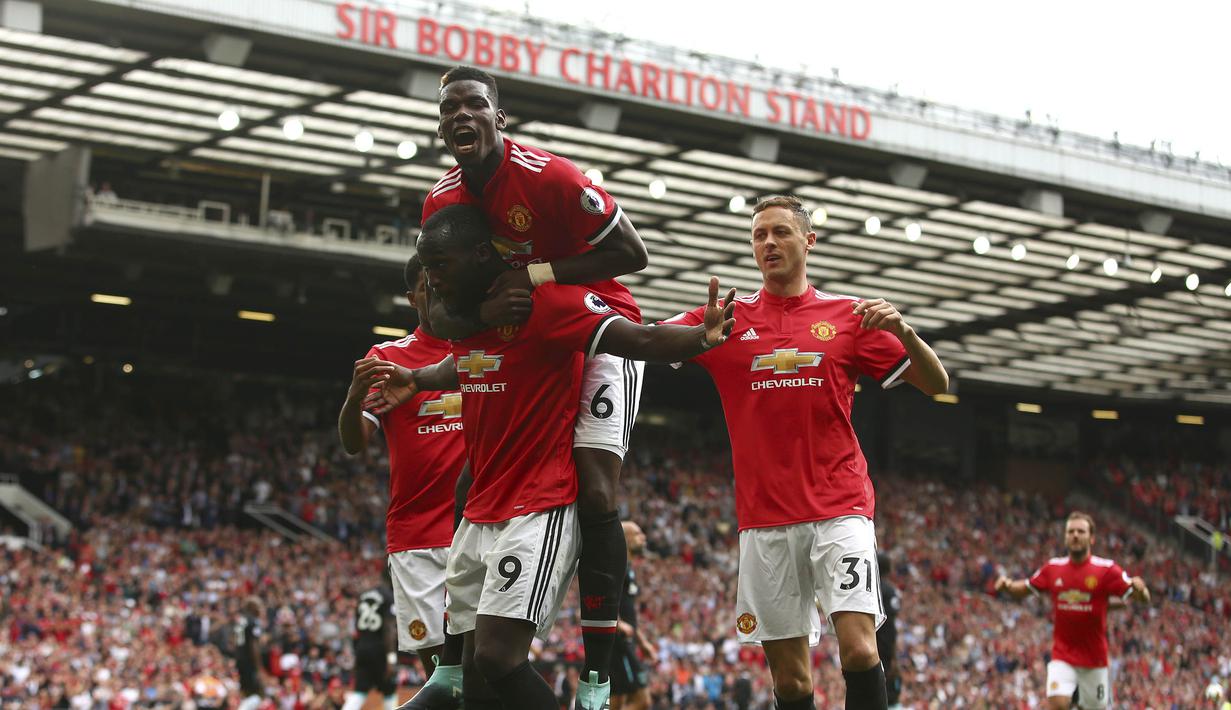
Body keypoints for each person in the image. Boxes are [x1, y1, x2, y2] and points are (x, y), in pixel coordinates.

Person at [363, 204, 736, 710]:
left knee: (497, 656)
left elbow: (639, 335)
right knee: (476, 678)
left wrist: (701, 337)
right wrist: (419, 379)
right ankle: (451, 671)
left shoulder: (546, 299)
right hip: (481, 513)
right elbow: (467, 361)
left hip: (537, 504)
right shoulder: (475, 319)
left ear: (479, 256)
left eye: (440, 269)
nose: (433, 282)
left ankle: (597, 674)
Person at [664, 195, 949, 710]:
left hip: (839, 507)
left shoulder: (847, 317)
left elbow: (937, 383)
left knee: (861, 650)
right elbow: (643, 342)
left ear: (809, 240)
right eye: (758, 235)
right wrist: (691, 340)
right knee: (792, 684)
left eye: (780, 232)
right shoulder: (726, 319)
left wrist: (903, 330)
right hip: (765, 519)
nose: (768, 243)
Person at [422, 65, 650, 709]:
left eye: (475, 105)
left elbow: (631, 255)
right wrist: (479, 317)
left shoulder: (552, 175)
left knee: (597, 486)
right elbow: (441, 301)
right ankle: (454, 662)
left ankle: (600, 673)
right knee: (478, 476)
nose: (462, 117)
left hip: (595, 323)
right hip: (522, 343)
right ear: (442, 128)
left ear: (501, 116)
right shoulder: (443, 202)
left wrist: (540, 274)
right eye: (450, 111)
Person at [337, 254, 467, 709]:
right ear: (413, 297)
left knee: (490, 661)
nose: (439, 293)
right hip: (416, 535)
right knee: (441, 674)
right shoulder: (388, 359)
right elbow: (356, 442)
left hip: (481, 526)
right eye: (428, 287)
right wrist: (354, 399)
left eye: (445, 283)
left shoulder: (483, 347)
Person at [995, 511, 1151, 710]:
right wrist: (1007, 586)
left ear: (1091, 538)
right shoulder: (1053, 568)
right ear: (1065, 537)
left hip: (1094, 661)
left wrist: (1141, 590)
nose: (1075, 535)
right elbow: (1026, 588)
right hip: (1063, 655)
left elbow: (1141, 598)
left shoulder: (1106, 570)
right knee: (1057, 703)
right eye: (1071, 532)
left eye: (1080, 531)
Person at [610, 521, 654, 710]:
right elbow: (602, 599)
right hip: (619, 642)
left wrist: (642, 641)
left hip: (624, 641)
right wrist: (619, 624)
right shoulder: (615, 565)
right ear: (624, 538)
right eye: (637, 534)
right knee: (643, 701)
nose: (643, 537)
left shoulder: (628, 568)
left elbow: (629, 613)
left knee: (617, 701)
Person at [346, 572, 398, 710]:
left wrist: (356, 653)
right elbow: (389, 629)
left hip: (362, 647)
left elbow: (356, 629)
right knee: (389, 691)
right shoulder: (388, 596)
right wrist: (391, 659)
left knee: (359, 691)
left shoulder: (363, 596)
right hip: (380, 649)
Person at [875, 553, 902, 710]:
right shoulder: (889, 591)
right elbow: (891, 624)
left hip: (870, 641)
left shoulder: (870, 587)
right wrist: (893, 655)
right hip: (884, 645)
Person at [234, 597, 267, 710]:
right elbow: (254, 645)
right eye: (259, 606)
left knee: (245, 693)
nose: (261, 609)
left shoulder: (241, 621)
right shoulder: (254, 621)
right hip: (250, 663)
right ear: (253, 608)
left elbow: (235, 641)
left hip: (240, 662)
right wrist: (259, 668)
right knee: (258, 694)